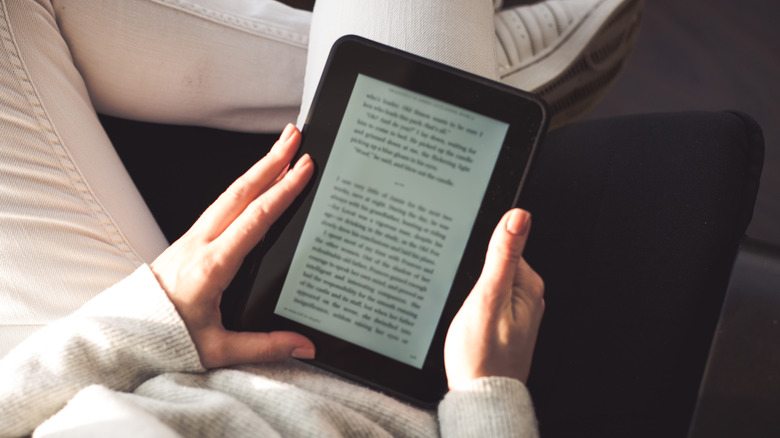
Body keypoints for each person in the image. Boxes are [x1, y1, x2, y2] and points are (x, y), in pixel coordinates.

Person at [0, 0, 642, 435]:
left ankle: (474, 79)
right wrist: (488, 398)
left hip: (78, 384)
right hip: (348, 391)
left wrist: (147, 322)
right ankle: (469, 84)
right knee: (416, 79)